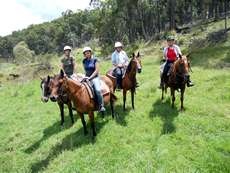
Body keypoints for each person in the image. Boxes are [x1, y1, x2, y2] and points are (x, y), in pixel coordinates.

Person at [82, 47, 106, 113]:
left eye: (88, 52)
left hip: (95, 77)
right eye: (85, 53)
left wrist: (90, 78)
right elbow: (86, 70)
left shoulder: (95, 59)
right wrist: (85, 77)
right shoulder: (84, 61)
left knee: (98, 90)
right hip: (87, 77)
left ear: (90, 52)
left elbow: (96, 70)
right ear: (84, 54)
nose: (87, 54)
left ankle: (101, 105)